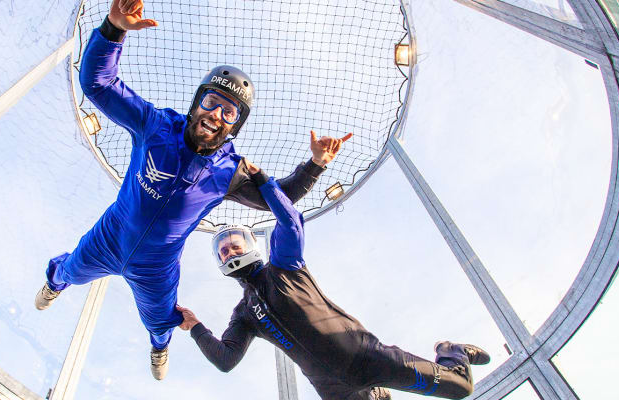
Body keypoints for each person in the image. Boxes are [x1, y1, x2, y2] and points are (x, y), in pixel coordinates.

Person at [34, 0, 352, 381]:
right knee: (68, 269)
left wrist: (314, 165)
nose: (216, 115)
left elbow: (284, 196)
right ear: (196, 102)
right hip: (109, 237)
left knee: (160, 318)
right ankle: (55, 284)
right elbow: (98, 84)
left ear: (234, 127)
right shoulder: (155, 126)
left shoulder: (230, 172)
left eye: (229, 113)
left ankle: (159, 345)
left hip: (157, 266)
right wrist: (112, 29)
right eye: (212, 102)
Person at [176, 162, 491, 400]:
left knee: (460, 387)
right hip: (331, 388)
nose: (230, 249)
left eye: (235, 243)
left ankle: (452, 350)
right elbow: (226, 360)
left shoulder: (283, 267)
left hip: (367, 357)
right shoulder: (243, 314)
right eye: (224, 249)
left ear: (251, 246)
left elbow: (291, 220)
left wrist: (263, 181)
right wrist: (195, 327)